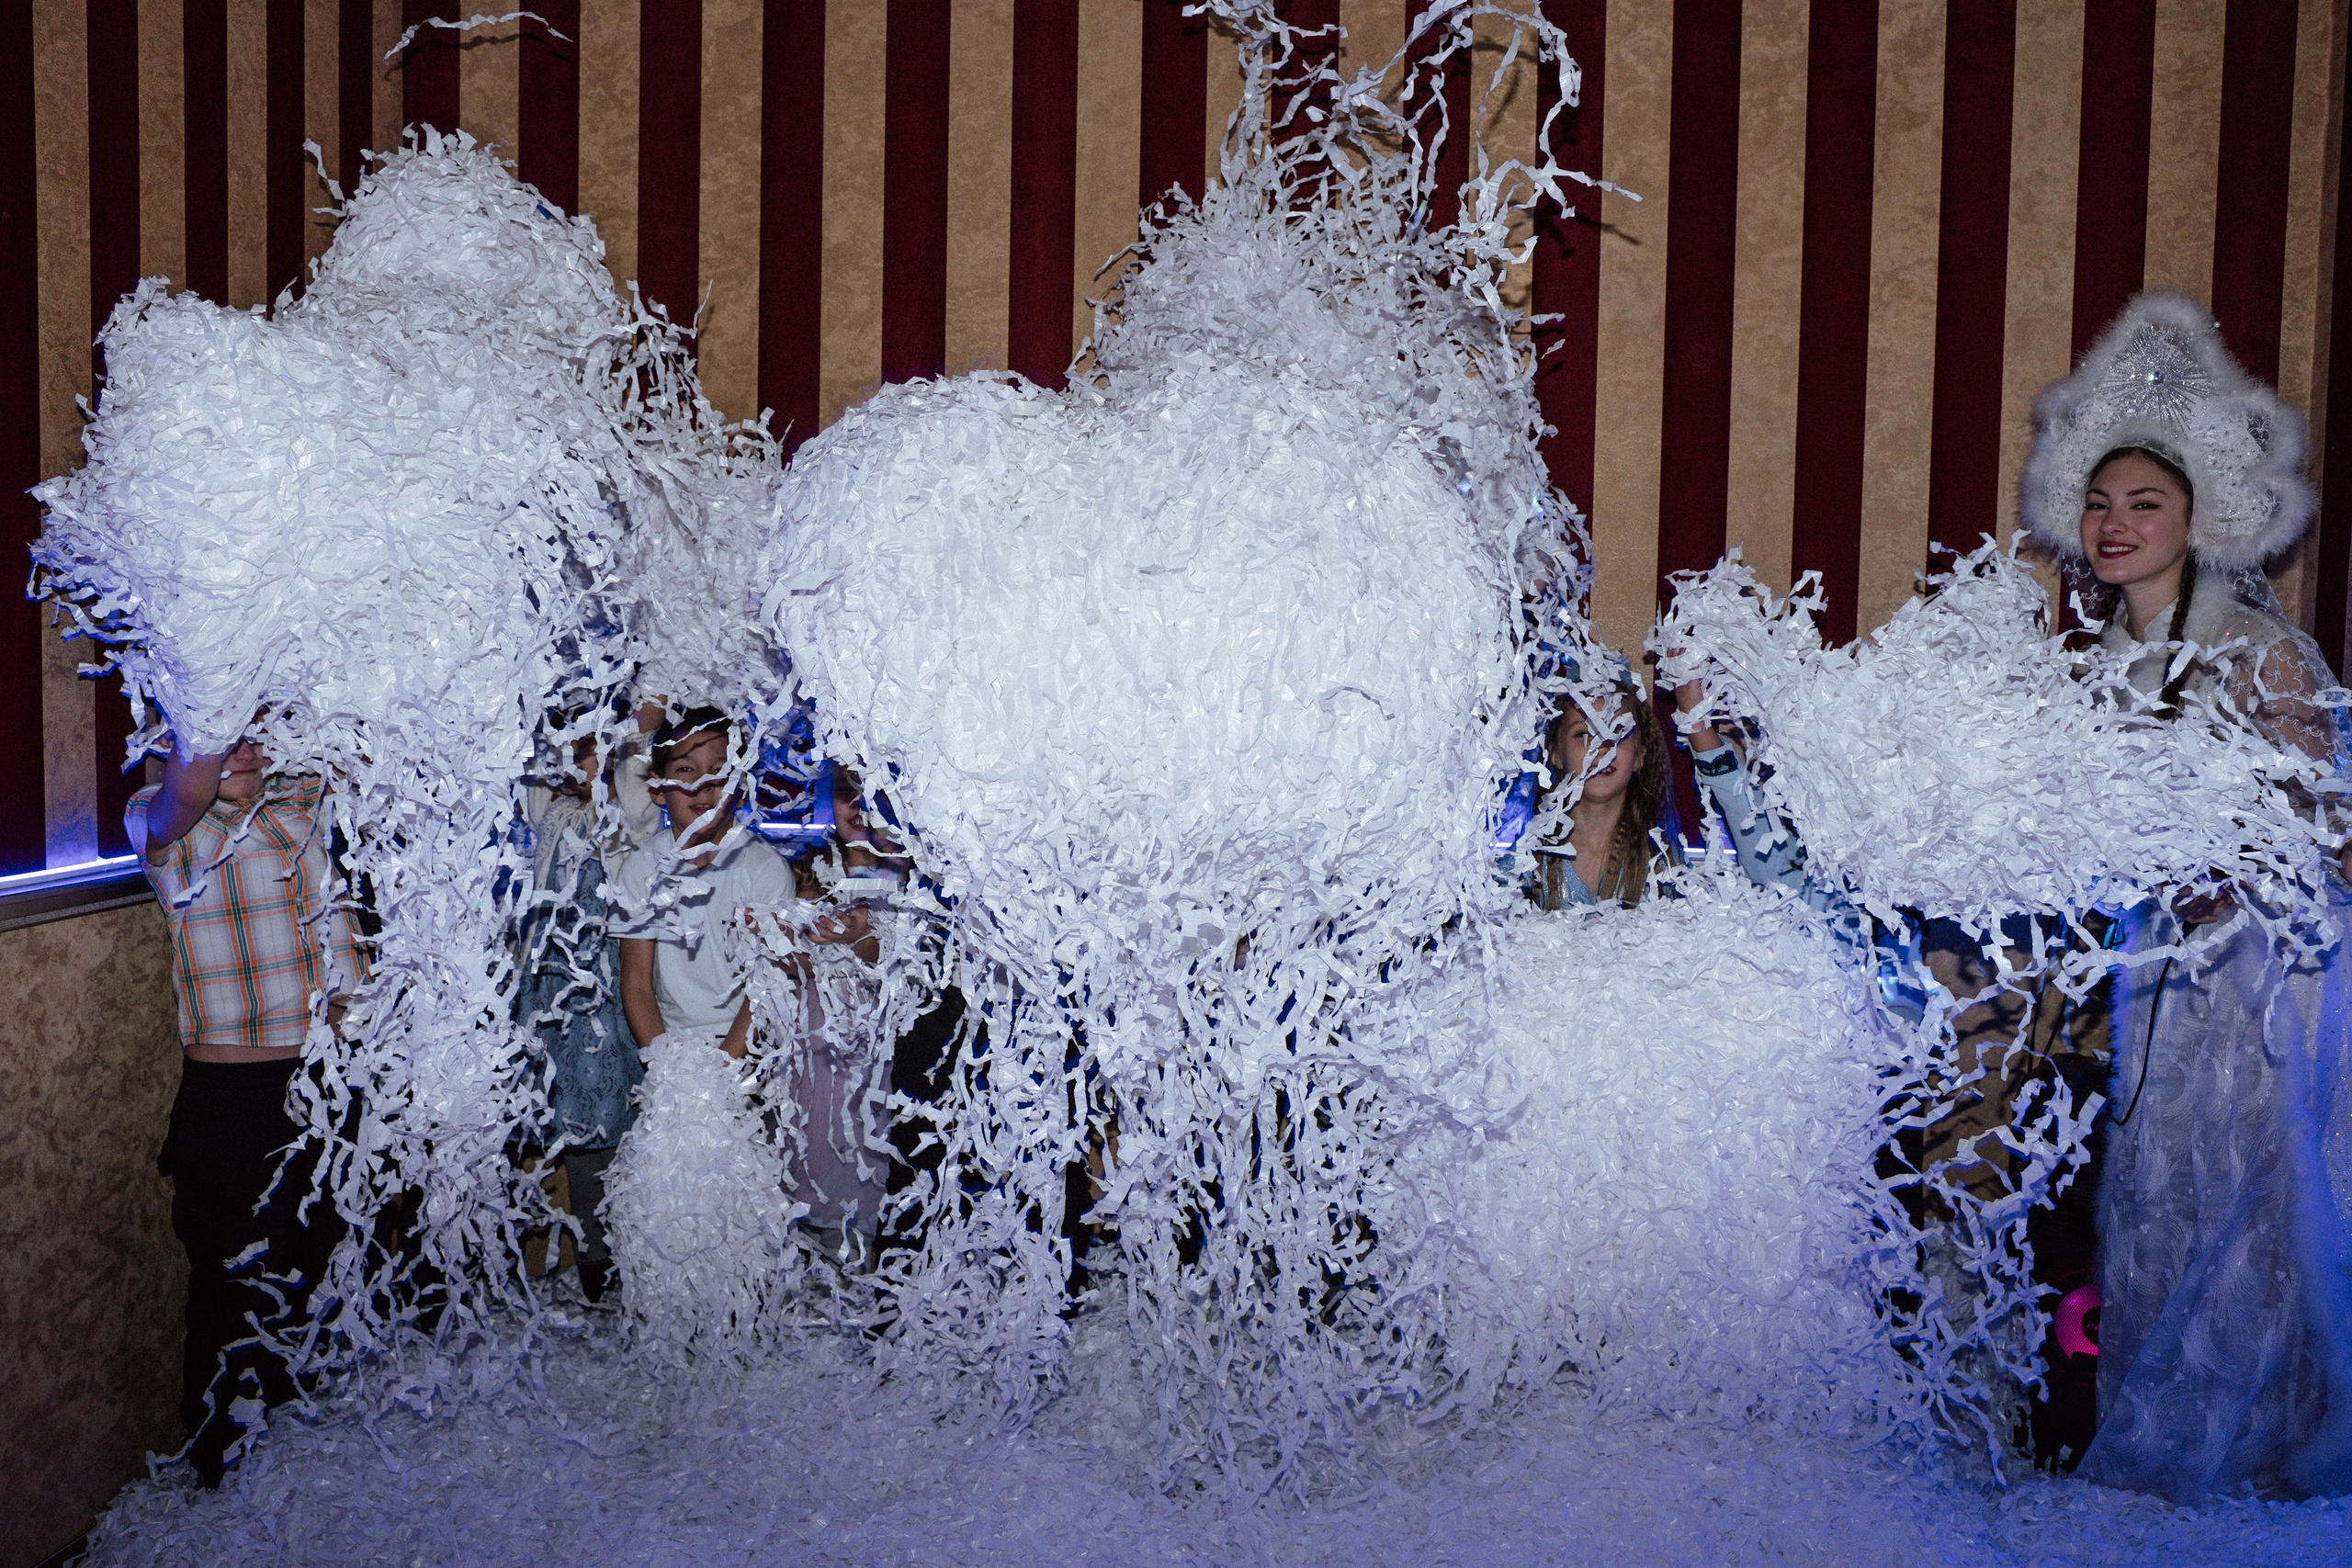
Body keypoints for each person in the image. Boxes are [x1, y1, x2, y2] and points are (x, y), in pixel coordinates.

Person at [2018, 289, 2352, 1499]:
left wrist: (2238, 871)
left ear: (2198, 520)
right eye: (2099, 505)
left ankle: (2246, 1454)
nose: (2113, 524)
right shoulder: (2099, 674)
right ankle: (2163, 1446)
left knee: (2247, 1214)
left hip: (2267, 985)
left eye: (2142, 504)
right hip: (2156, 976)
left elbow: (2330, 826)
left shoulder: (2265, 653)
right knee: (2159, 1206)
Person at [127, 727, 363, 1486]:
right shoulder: (164, 819)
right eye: (223, 735)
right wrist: (220, 656)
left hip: (321, 1087)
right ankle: (222, 1468)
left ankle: (306, 1459)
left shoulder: (302, 801)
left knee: (316, 1265)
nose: (245, 750)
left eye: (256, 734)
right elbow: (191, 787)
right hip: (228, 1101)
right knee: (230, 1282)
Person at [516, 718, 660, 1302]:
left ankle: (619, 1254)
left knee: (615, 1127)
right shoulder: (548, 811)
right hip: (551, 995)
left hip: (606, 993)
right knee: (572, 1131)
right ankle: (589, 1256)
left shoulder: (627, 817)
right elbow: (531, 761)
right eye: (576, 748)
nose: (582, 761)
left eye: (597, 749)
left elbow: (633, 772)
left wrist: (636, 726)